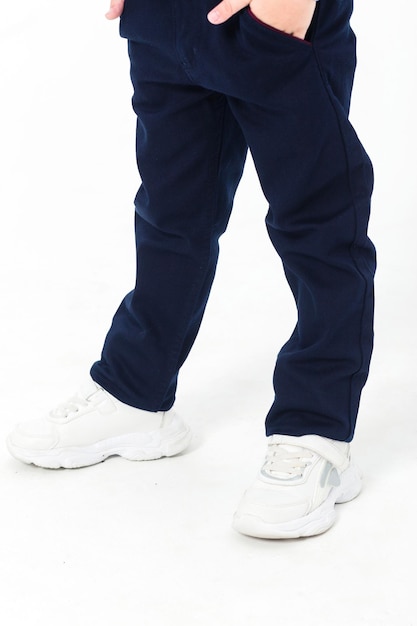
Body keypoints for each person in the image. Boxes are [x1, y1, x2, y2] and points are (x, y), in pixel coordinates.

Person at [6, 0, 376, 539]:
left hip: (271, 16)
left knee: (318, 225)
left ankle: (317, 431)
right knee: (170, 213)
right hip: (163, 16)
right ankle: (136, 392)